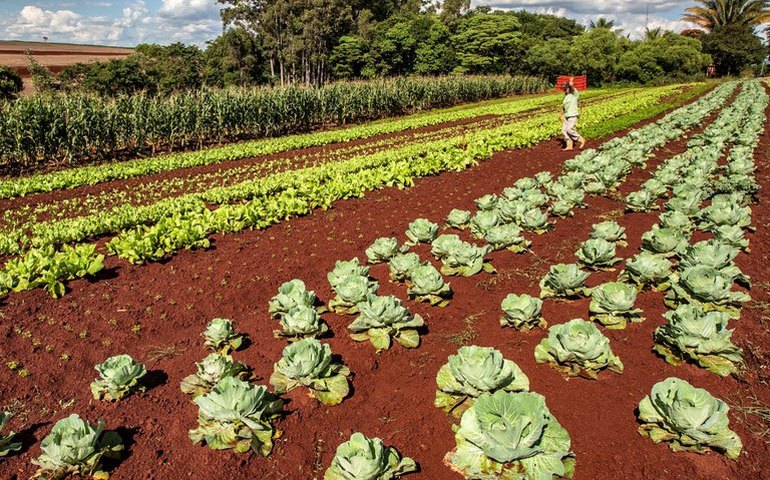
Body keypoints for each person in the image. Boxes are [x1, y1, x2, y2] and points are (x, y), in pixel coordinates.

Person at [559, 80, 585, 151]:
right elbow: (564, 107)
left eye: (566, 88)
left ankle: (581, 139)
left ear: (569, 88)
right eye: (564, 89)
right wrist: (560, 114)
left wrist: (571, 84)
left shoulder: (574, 94)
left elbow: (573, 88)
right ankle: (569, 146)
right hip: (566, 115)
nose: (565, 90)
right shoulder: (565, 97)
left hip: (573, 115)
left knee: (569, 129)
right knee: (564, 130)